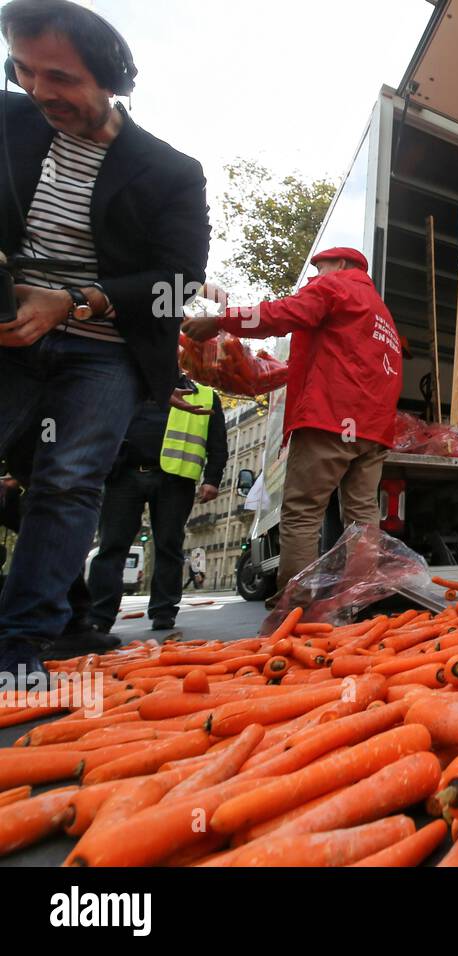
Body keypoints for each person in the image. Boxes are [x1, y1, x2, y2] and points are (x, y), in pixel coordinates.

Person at [0, 0, 210, 681]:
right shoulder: (7, 122)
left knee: (67, 484)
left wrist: (75, 301)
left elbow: (179, 285)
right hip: (7, 333)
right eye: (23, 70)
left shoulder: (169, 171)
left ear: (112, 78)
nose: (38, 91)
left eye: (59, 77)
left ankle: (21, 651)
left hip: (104, 350)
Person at [181, 247, 402, 606]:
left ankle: (295, 601)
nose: (315, 275)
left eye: (321, 266)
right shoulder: (380, 311)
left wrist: (222, 321)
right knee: (362, 513)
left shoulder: (334, 288)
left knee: (302, 511)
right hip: (372, 429)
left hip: (328, 419)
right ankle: (362, 595)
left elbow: (281, 314)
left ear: (342, 265)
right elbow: (345, 359)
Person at [85, 376, 226, 635]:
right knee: (112, 545)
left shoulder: (204, 395)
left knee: (169, 545)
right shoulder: (126, 384)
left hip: (175, 479)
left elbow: (218, 444)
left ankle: (163, 611)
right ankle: (99, 615)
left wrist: (212, 480)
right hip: (123, 475)